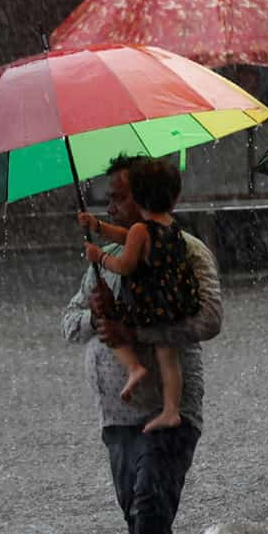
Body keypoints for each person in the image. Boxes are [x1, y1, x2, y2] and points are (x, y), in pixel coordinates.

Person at [62, 153, 222, 534]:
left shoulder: (184, 249)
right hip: (116, 417)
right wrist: (96, 317)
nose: (111, 208)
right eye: (107, 199)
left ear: (146, 198)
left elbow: (210, 319)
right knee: (139, 517)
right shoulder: (106, 261)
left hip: (169, 409)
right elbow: (68, 323)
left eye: (120, 198)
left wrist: (140, 333)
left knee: (150, 510)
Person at [78, 157, 200, 434]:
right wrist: (97, 226)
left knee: (113, 325)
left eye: (120, 198)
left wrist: (101, 256)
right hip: (170, 307)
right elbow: (126, 236)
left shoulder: (140, 231)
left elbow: (126, 264)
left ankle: (134, 367)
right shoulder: (170, 228)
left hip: (147, 309)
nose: (111, 207)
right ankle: (172, 408)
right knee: (168, 360)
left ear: (138, 198)